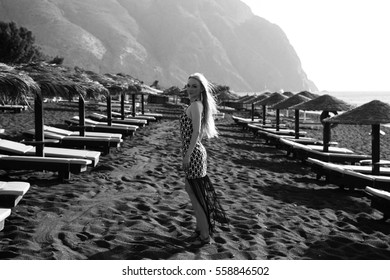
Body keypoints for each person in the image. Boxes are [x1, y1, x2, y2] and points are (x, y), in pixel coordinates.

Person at [179, 73, 227, 246]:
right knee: (192, 190)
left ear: (201, 90)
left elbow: (196, 132)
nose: (190, 89)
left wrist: (187, 155)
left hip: (194, 154)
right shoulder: (194, 105)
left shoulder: (196, 106)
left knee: (197, 195)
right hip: (194, 152)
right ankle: (200, 229)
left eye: (194, 86)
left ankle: (205, 234)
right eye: (189, 85)